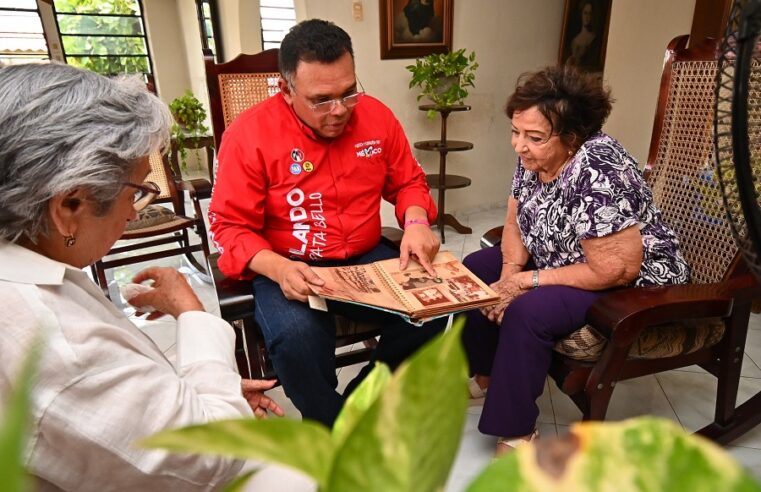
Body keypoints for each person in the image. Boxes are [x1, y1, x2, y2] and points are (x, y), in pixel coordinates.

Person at [0, 63, 286, 491]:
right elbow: (213, 455)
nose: (135, 210)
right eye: (134, 191)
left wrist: (199, 393)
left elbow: (111, 412)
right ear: (69, 207)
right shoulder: (55, 340)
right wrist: (192, 313)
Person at [208, 19, 447, 428]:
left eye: (348, 93)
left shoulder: (375, 117)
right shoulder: (249, 135)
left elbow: (408, 181)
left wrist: (416, 221)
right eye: (321, 99)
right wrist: (279, 268)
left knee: (436, 312)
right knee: (298, 342)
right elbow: (229, 227)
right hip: (290, 261)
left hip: (363, 255)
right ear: (286, 90)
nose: (339, 110)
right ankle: (329, 428)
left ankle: (355, 410)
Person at [461, 66, 690, 456]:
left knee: (529, 310)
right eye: (515, 132)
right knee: (477, 269)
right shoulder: (534, 155)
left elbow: (614, 268)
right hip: (565, 257)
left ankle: (516, 429)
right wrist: (507, 275)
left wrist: (523, 285)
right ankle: (488, 375)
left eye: (533, 137)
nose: (519, 146)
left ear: (572, 137)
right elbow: (515, 218)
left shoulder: (598, 167)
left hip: (632, 283)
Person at [565, 0, 602, 71]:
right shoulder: (575, 41)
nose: (587, 17)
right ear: (581, 14)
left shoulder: (594, 38)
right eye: (585, 13)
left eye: (590, 13)